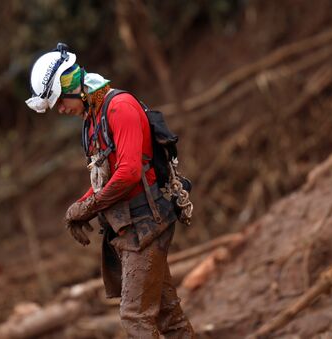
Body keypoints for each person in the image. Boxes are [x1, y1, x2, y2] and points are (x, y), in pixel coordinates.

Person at [26, 43, 194, 338]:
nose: (61, 110)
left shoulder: (119, 107)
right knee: (169, 317)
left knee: (135, 317)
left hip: (148, 224)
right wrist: (76, 209)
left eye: (59, 102)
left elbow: (128, 172)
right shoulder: (92, 120)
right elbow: (104, 180)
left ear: (71, 84)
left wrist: (89, 207)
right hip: (130, 229)